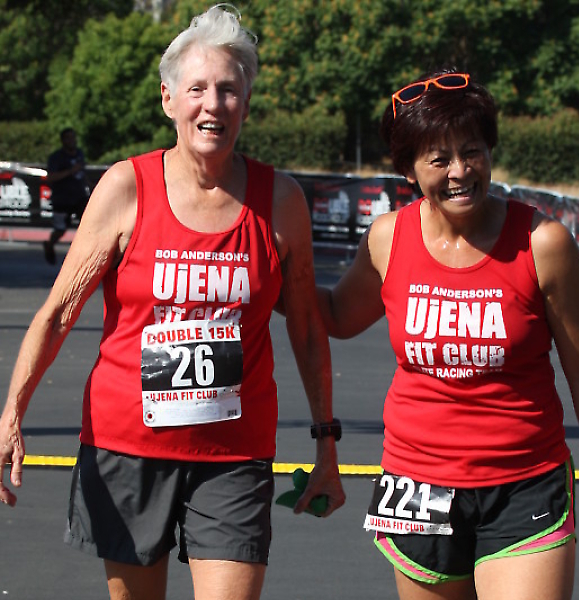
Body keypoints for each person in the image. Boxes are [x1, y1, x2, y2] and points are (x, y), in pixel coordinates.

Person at [0, 5, 345, 600]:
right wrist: (12, 414)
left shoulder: (280, 201)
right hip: (126, 446)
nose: (214, 104)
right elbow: (58, 313)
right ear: (168, 100)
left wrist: (326, 442)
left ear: (246, 103)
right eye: (198, 89)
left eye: (229, 90)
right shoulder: (126, 188)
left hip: (234, 452)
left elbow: (309, 329)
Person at [316, 69, 579, 599]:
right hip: (416, 488)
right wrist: (271, 266)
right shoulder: (387, 239)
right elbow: (335, 316)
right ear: (407, 169)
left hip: (524, 484)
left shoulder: (543, 243)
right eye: (439, 159)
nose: (460, 171)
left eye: (472, 152)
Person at [43, 127, 90, 265]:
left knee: (88, 223)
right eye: (68, 138)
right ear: (63, 140)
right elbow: (51, 177)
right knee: (60, 229)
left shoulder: (79, 154)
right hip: (62, 199)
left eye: (73, 137)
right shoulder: (56, 157)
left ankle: (85, 253)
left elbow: (82, 174)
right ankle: (49, 244)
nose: (72, 141)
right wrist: (70, 171)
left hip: (79, 196)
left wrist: (90, 185)